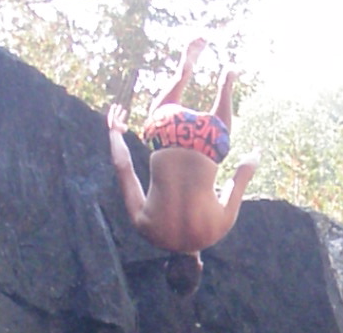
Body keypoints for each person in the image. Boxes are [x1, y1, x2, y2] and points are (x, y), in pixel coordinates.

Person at [107, 37, 260, 295]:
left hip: (207, 138)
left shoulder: (216, 229)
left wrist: (255, 156)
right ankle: (183, 73)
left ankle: (226, 82)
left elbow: (241, 173)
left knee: (220, 139)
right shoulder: (146, 227)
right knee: (158, 112)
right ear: (167, 263)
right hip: (169, 129)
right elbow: (123, 166)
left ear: (199, 265)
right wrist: (114, 132)